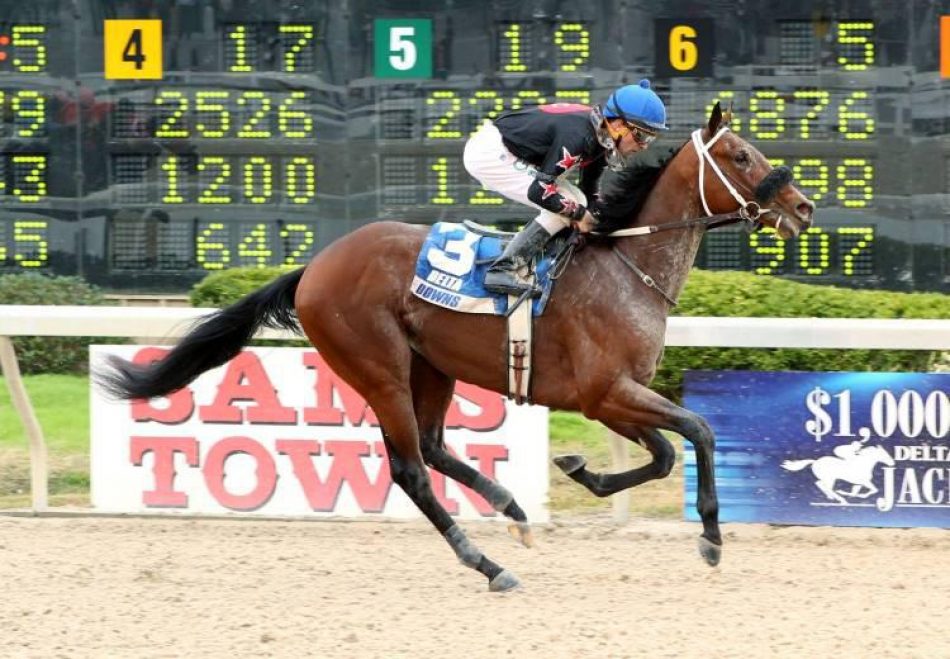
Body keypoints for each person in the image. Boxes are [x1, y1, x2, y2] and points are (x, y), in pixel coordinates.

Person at [463, 79, 668, 296]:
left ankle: (548, 249)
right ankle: (503, 269)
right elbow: (539, 191)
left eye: (650, 139)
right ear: (618, 125)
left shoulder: (601, 135)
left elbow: (589, 190)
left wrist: (599, 221)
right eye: (641, 135)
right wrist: (579, 215)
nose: (643, 146)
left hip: (510, 148)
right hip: (489, 153)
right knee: (569, 205)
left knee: (578, 200)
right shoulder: (579, 137)